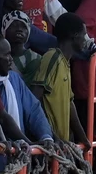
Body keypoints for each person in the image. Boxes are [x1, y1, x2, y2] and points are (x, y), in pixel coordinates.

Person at [20, 12, 90, 146]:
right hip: (51, 144)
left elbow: (70, 104)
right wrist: (53, 136)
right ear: (74, 36)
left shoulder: (65, 62)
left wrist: (83, 138)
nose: (86, 39)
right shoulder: (52, 57)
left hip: (62, 144)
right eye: (84, 34)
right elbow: (35, 99)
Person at [0, 13, 55, 144]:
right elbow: (1, 119)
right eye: (6, 55)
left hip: (19, 149)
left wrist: (46, 136)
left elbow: (34, 109)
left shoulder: (14, 79)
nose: (10, 59)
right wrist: (28, 143)